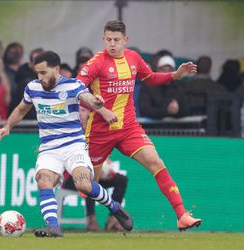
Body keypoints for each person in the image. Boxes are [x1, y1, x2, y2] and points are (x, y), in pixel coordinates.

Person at [0, 50, 133, 238]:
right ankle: (53, 227)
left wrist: (98, 103)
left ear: (56, 69)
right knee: (43, 180)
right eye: (37, 73)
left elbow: (88, 99)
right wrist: (7, 126)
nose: (39, 78)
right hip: (49, 147)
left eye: (43, 73)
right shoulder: (32, 88)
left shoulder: (73, 85)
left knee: (84, 185)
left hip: (74, 146)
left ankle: (114, 207)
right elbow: (21, 109)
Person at [76, 20, 201, 231]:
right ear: (103, 39)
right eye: (108, 40)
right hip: (99, 132)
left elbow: (150, 78)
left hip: (128, 129)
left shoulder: (133, 58)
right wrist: (101, 109)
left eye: (116, 40)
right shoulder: (96, 62)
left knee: (156, 162)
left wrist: (175, 75)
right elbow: (77, 89)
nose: (112, 44)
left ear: (126, 40)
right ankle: (114, 209)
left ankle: (182, 215)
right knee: (87, 187)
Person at [63, 157, 128, 232]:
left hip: (97, 174)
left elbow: (103, 159)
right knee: (89, 185)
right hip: (75, 176)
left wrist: (107, 171)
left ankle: (113, 219)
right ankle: (91, 220)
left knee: (121, 179)